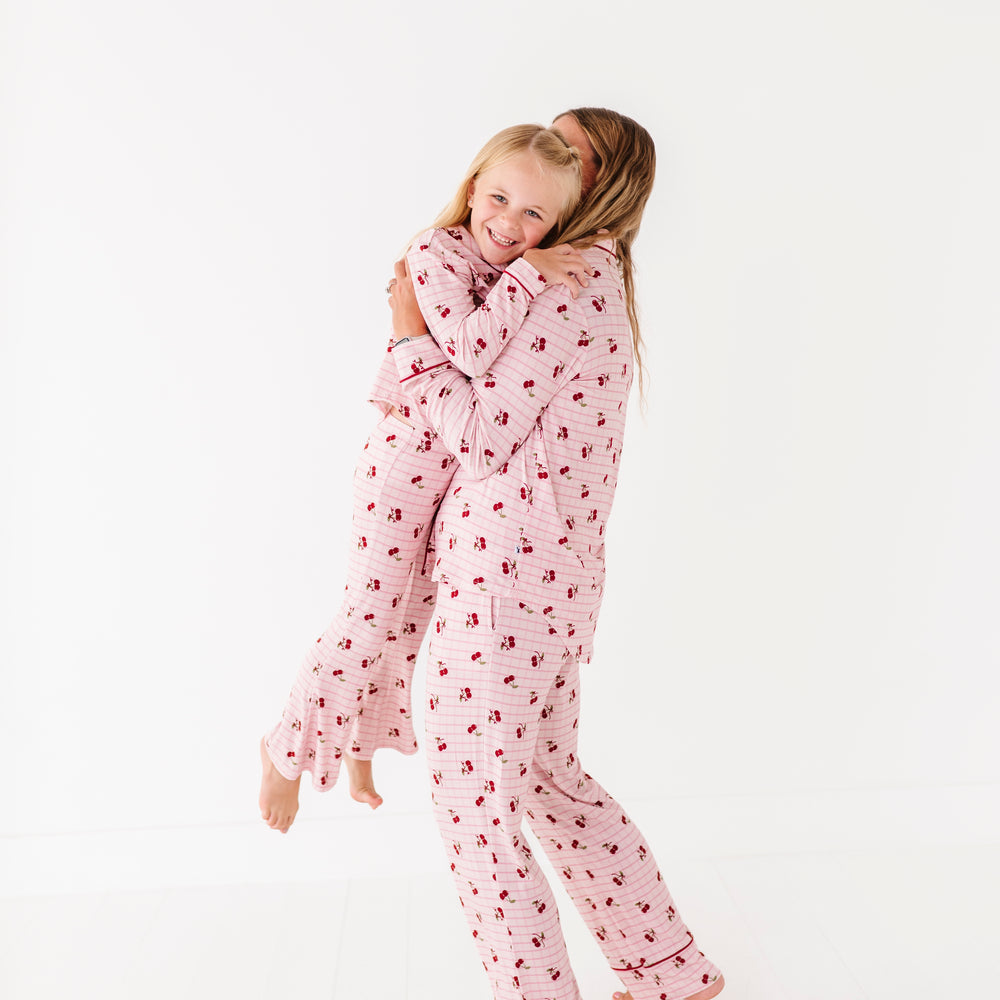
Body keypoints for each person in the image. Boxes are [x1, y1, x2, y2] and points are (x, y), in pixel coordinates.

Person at [386, 107, 725, 1000]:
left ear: (598, 187)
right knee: (548, 784)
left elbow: (486, 438)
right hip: (545, 584)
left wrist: (411, 338)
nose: (543, 166)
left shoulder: (564, 286)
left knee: (479, 813)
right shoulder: (576, 279)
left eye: (567, 155)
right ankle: (670, 974)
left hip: (506, 583)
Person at [259, 123, 594, 833]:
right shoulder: (435, 254)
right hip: (406, 456)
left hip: (451, 466)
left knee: (410, 617)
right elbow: (471, 353)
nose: (509, 223)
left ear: (558, 221)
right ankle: (285, 748)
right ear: (473, 188)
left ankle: (359, 750)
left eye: (534, 215)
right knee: (367, 614)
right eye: (499, 199)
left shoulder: (514, 272)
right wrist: (533, 274)